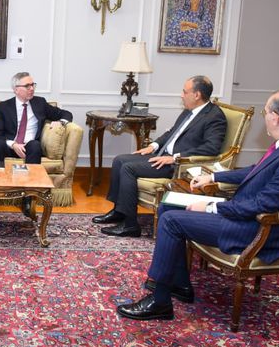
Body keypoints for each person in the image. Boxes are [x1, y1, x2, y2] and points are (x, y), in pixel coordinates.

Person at [116, 88, 279, 321]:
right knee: (169, 205)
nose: (264, 117)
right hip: (248, 215)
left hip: (260, 230)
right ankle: (180, 284)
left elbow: (262, 204)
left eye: (265, 112)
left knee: (171, 221)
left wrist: (210, 207)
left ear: (275, 118)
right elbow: (256, 171)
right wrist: (214, 177)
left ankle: (160, 301)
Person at [94, 75, 227, 237]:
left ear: (197, 95)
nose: (181, 95)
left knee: (128, 168)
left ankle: (130, 225)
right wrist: (153, 146)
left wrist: (175, 157)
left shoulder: (215, 116)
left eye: (185, 92)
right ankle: (119, 212)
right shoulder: (189, 111)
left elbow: (211, 148)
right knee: (119, 160)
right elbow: (172, 133)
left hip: (178, 165)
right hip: (162, 155)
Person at [0, 72, 72, 217]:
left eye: (33, 85)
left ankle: (28, 200)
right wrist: (13, 144)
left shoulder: (40, 103)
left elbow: (66, 113)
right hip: (9, 146)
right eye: (27, 86)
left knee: (35, 145)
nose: (32, 88)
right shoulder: (3, 107)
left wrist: (60, 122)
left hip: (29, 146)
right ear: (16, 89)